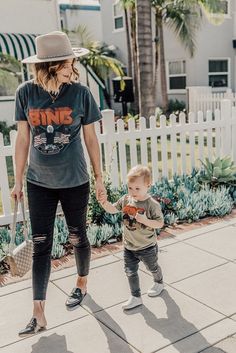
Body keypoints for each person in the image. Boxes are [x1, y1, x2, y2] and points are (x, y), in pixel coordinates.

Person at [11, 31, 106, 336]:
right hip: (38, 183)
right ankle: (38, 313)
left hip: (75, 180)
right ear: (50, 66)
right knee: (41, 246)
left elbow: (91, 139)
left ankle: (81, 282)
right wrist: (17, 180)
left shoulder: (80, 94)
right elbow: (23, 138)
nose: (72, 67)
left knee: (77, 236)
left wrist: (99, 177)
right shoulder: (25, 93)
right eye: (68, 63)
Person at [99, 165, 164, 310]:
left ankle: (159, 282)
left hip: (147, 247)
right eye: (130, 188)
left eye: (137, 188)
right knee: (130, 271)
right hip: (129, 246)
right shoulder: (125, 200)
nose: (133, 192)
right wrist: (104, 203)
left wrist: (145, 220)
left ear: (148, 185)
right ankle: (136, 296)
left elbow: (159, 223)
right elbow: (113, 209)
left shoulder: (151, 205)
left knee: (152, 267)